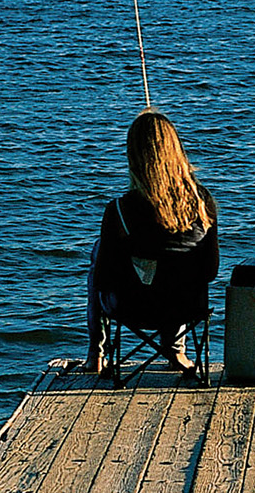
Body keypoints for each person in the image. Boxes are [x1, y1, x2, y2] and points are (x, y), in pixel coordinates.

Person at [85, 111, 219, 374]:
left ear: (133, 157)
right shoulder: (204, 203)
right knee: (179, 269)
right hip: (186, 309)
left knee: (98, 253)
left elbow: (102, 279)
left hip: (131, 308)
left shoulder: (120, 209)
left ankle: (96, 354)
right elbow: (210, 271)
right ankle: (176, 350)